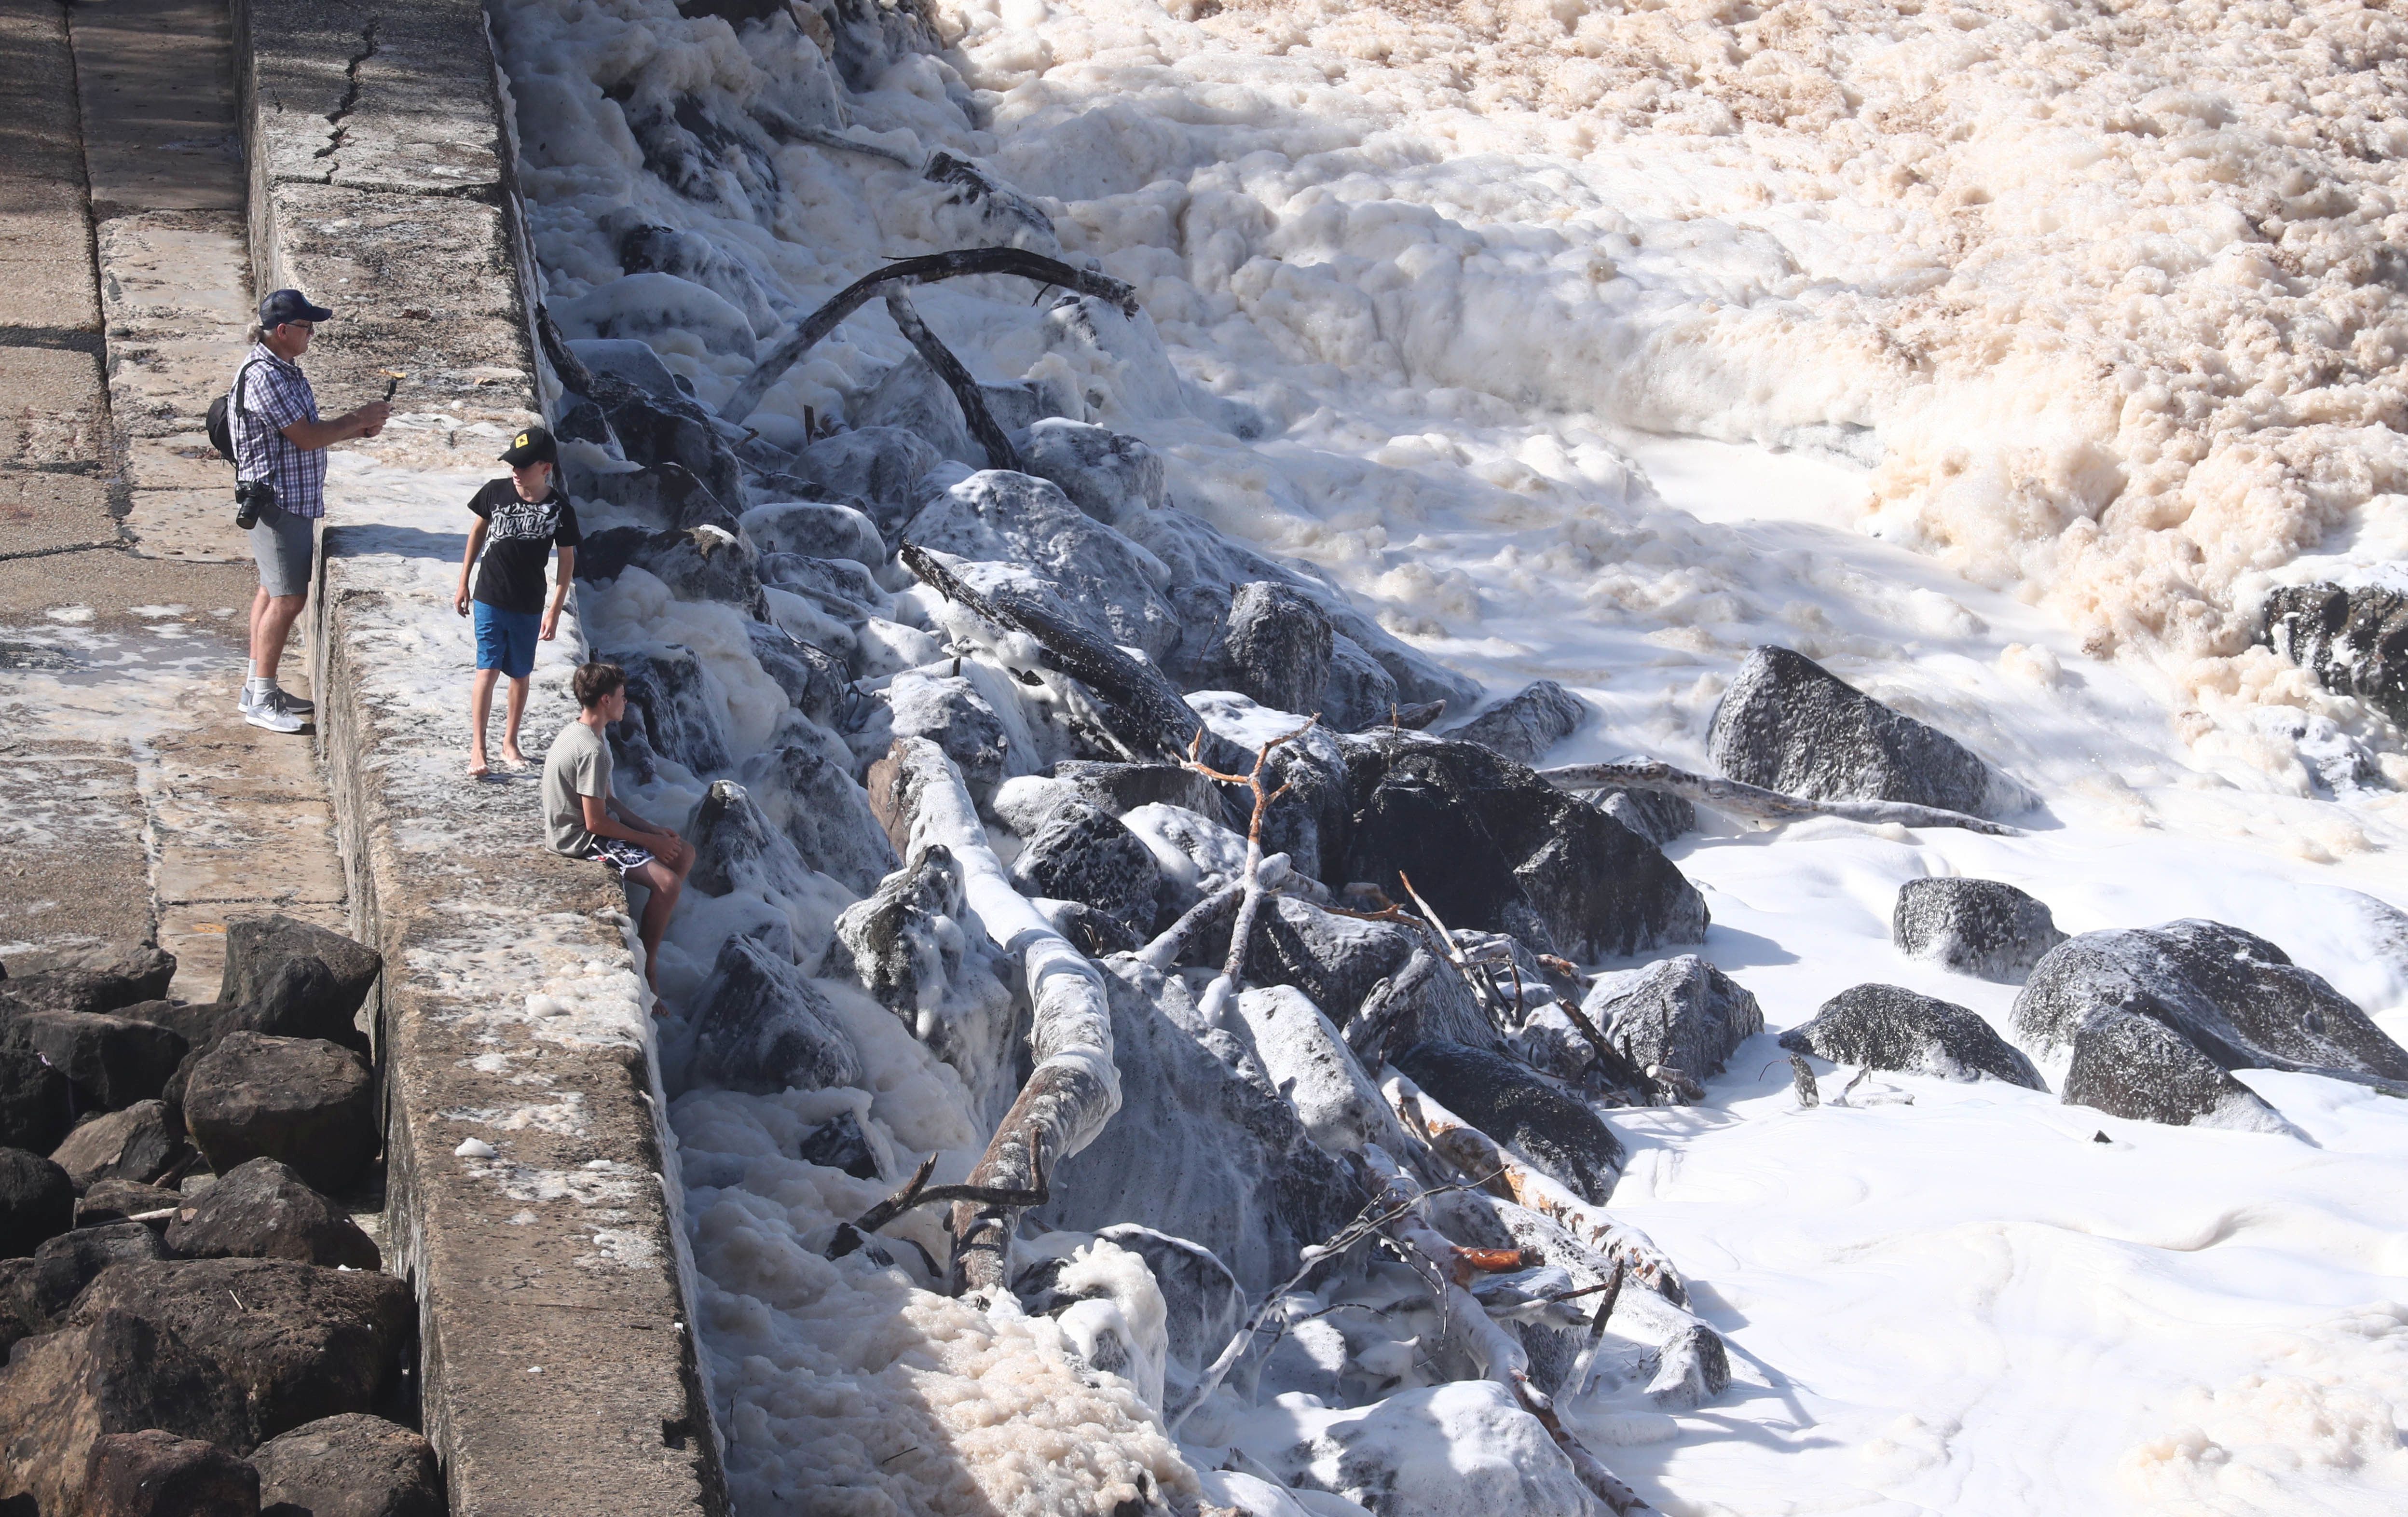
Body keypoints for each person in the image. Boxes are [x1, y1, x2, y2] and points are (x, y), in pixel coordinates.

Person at [228, 289, 391, 734]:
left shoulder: (283, 368)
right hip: (278, 503)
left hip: (288, 498)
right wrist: (358, 418)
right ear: (282, 331)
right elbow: (305, 438)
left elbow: (310, 434)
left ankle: (254, 687)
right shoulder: (267, 377)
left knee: (270, 589)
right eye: (306, 327)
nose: (312, 334)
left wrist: (356, 431)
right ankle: (262, 699)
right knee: (288, 598)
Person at [542, 661, 693, 992]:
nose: (627, 703)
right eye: (623, 697)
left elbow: (609, 800)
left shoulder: (579, 731)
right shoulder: (593, 751)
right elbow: (596, 823)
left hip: (581, 830)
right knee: (668, 884)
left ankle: (654, 929)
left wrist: (653, 831)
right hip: (577, 841)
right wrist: (650, 843)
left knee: (684, 853)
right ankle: (649, 966)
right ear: (605, 701)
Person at [455, 425, 581, 777]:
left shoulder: (560, 509)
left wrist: (554, 610)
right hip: (489, 596)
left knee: (520, 674)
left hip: (528, 603)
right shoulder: (496, 493)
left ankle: (510, 743)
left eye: (523, 465)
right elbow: (477, 532)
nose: (515, 470)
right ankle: (478, 747)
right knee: (487, 668)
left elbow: (567, 561)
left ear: (546, 468)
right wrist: (463, 581)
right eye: (513, 463)